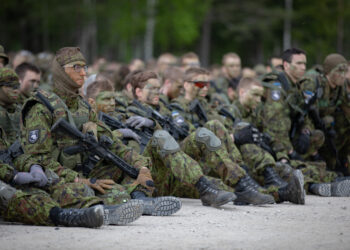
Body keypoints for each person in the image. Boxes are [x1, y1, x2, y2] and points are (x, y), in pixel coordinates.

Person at [19, 47, 181, 217]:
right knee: (82, 191)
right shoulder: (41, 107)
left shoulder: (84, 106)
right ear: (61, 71)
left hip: (85, 173)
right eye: (76, 67)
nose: (83, 73)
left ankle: (137, 201)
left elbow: (114, 145)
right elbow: (38, 160)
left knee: (125, 175)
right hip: (57, 178)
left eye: (85, 68)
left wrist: (141, 166)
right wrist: (78, 179)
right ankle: (104, 210)